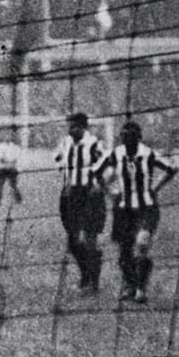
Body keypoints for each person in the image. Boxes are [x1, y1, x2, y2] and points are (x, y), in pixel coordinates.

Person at [91, 120, 177, 304]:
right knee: (124, 251)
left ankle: (141, 288)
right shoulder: (115, 153)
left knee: (142, 242)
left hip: (147, 207)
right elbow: (96, 171)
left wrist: (156, 186)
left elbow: (171, 168)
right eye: (124, 137)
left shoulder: (148, 153)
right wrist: (109, 191)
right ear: (121, 138)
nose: (127, 140)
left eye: (131, 137)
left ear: (138, 138)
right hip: (124, 209)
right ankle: (130, 285)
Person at [54, 112, 107, 294]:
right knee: (73, 241)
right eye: (69, 125)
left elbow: (106, 164)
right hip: (71, 194)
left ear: (83, 126)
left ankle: (93, 282)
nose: (71, 129)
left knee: (90, 239)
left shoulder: (94, 144)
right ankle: (86, 274)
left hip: (90, 194)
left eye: (74, 126)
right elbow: (58, 160)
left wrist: (98, 185)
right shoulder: (66, 142)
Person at [0, 133, 24, 206]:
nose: (7, 137)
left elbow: (16, 159)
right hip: (2, 168)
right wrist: (7, 161)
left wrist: (9, 161)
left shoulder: (15, 147)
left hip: (12, 168)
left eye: (10, 135)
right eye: (6, 135)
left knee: (14, 185)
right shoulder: (0, 146)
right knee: (0, 185)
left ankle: (18, 200)